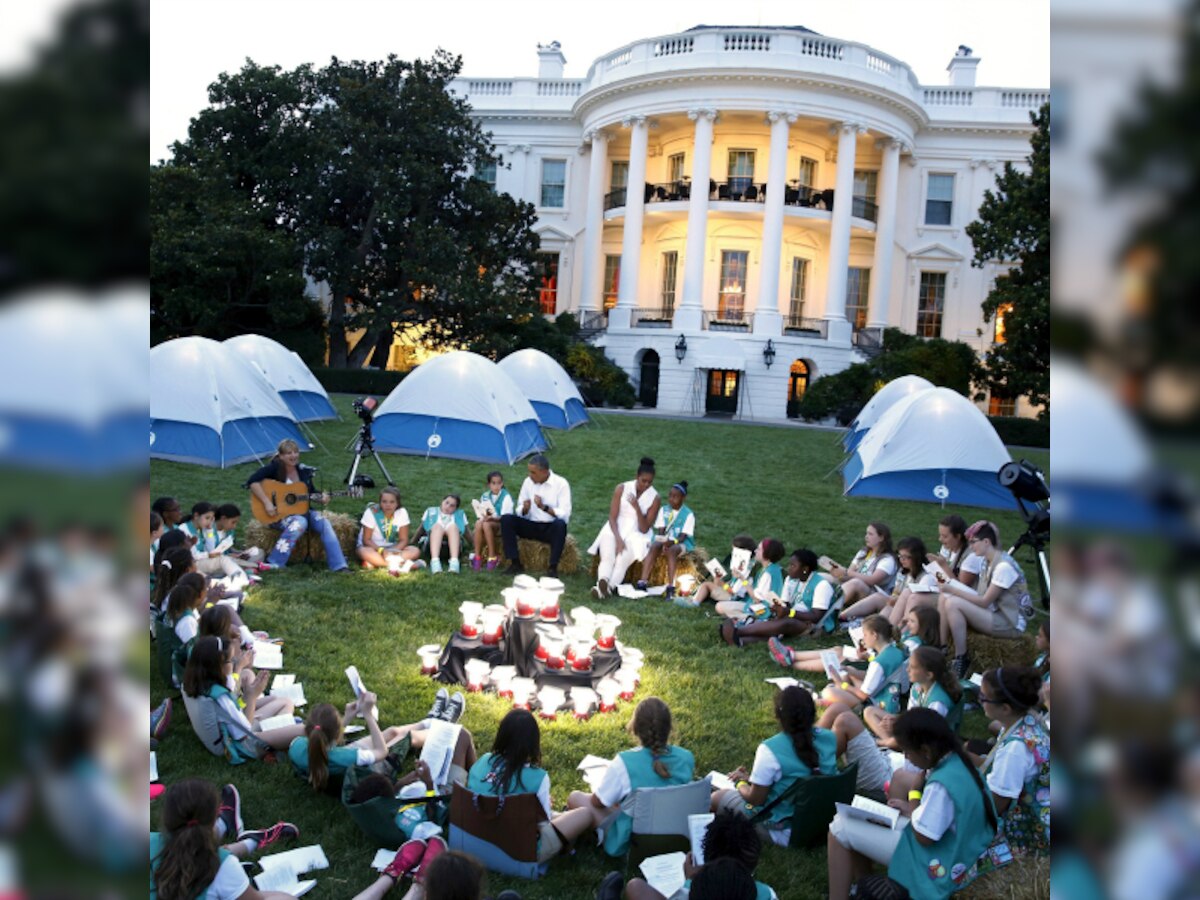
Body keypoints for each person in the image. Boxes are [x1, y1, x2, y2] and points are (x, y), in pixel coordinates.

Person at [825, 708, 998, 900]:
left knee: (839, 828)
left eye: (906, 751)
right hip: (961, 844)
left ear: (925, 750)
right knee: (853, 818)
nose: (905, 757)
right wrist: (911, 809)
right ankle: (868, 886)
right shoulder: (958, 761)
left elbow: (924, 837)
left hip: (944, 860)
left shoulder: (941, 785)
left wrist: (914, 795)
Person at [709, 686, 838, 846]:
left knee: (717, 797)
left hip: (786, 830)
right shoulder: (829, 738)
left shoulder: (770, 749)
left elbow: (755, 800)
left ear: (778, 715)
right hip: (822, 824)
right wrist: (752, 779)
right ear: (813, 713)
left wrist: (740, 783)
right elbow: (800, 774)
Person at [567, 697, 695, 857]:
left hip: (631, 840)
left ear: (634, 728)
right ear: (669, 728)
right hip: (675, 836)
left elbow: (596, 802)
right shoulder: (686, 758)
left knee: (576, 797)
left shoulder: (624, 762)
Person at [465, 710, 596, 862]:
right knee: (584, 814)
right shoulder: (538, 777)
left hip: (476, 840)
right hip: (519, 853)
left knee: (556, 814)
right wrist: (544, 807)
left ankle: (563, 817)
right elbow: (543, 825)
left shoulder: (483, 761)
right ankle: (569, 844)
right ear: (533, 741)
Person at [151, 777, 300, 900]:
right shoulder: (223, 866)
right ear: (213, 817)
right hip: (219, 871)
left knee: (195, 846)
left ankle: (233, 829)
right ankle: (249, 839)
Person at [290, 690, 467, 792]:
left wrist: (347, 718)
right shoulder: (347, 758)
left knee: (391, 732)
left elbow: (328, 741)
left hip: (340, 763)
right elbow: (381, 753)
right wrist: (367, 714)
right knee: (406, 738)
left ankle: (429, 721)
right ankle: (442, 727)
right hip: (363, 773)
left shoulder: (297, 746)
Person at [181, 635, 304, 761]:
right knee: (303, 729)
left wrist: (242, 676)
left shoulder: (193, 682)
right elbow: (245, 732)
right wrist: (252, 696)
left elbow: (232, 700)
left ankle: (281, 734)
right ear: (219, 667)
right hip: (237, 745)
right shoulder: (221, 698)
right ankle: (277, 747)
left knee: (285, 702)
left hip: (228, 733)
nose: (233, 662)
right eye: (230, 660)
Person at [971, 667, 1050, 858]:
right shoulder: (1028, 721)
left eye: (984, 698)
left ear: (1005, 708)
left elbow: (996, 805)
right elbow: (994, 765)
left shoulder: (1016, 749)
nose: (979, 700)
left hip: (1027, 833)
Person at [613, 810, 779, 900]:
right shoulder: (767, 894)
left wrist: (689, 881)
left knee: (635, 886)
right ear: (753, 860)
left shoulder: (696, 889)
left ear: (706, 856)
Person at [936, 522, 1032, 678]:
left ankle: (961, 658)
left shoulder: (1003, 566)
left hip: (1011, 622)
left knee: (953, 602)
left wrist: (953, 589)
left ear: (986, 542)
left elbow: (984, 601)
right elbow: (981, 597)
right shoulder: (987, 561)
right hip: (997, 612)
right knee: (945, 597)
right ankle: (943, 648)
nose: (971, 547)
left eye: (973, 542)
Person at [244, 438, 349, 572]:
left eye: (295, 452)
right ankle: (275, 562)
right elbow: (252, 482)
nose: (293, 456)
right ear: (281, 456)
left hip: (303, 511)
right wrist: (267, 503)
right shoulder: (274, 468)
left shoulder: (303, 471)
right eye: (289, 453)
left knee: (323, 522)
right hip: (278, 514)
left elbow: (310, 493)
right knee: (300, 522)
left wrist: (320, 497)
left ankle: (339, 565)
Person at [721, 549, 834, 647]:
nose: (788, 568)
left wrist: (789, 613)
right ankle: (739, 641)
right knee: (776, 626)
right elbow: (785, 604)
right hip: (794, 616)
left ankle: (737, 632)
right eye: (789, 564)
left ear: (805, 568)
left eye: (793, 566)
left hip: (813, 626)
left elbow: (816, 617)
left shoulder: (821, 585)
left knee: (786, 623)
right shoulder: (791, 580)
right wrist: (777, 609)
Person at [588, 457, 661, 599]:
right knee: (607, 557)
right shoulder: (621, 488)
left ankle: (606, 588)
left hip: (637, 533)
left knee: (621, 562)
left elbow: (645, 528)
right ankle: (603, 583)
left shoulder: (655, 498)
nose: (646, 485)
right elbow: (612, 517)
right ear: (636, 477)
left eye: (650, 482)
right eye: (643, 481)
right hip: (614, 528)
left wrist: (637, 508)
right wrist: (618, 539)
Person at [865, 647, 961, 748]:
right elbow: (911, 716)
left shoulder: (938, 702)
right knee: (870, 711)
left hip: (931, 741)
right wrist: (895, 721)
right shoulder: (917, 686)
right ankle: (890, 743)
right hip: (918, 729)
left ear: (928, 675)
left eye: (913, 667)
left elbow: (925, 733)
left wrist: (899, 726)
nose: (907, 670)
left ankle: (884, 743)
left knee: (907, 737)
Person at [818, 615, 908, 717]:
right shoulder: (895, 651)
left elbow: (864, 695)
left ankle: (843, 699)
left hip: (880, 704)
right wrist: (850, 671)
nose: (863, 639)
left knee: (828, 692)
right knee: (850, 671)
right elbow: (877, 677)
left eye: (865, 635)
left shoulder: (878, 663)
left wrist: (841, 684)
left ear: (874, 635)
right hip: (891, 695)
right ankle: (840, 693)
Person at [500, 454, 572, 577]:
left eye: (533, 472)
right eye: (529, 472)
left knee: (560, 525)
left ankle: (552, 567)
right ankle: (515, 563)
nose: (530, 475)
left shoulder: (561, 484)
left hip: (549, 528)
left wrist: (544, 508)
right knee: (506, 519)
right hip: (531, 525)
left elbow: (565, 515)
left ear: (544, 472)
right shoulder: (528, 482)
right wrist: (525, 509)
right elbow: (519, 509)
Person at [841, 537, 934, 622]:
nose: (902, 559)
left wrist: (896, 600)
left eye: (906, 557)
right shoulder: (903, 571)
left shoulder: (926, 577)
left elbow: (918, 604)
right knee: (878, 597)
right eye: (900, 556)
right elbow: (896, 592)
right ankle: (842, 616)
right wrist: (893, 598)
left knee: (889, 606)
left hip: (909, 612)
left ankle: (876, 628)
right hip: (895, 604)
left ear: (916, 557)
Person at [635, 479, 695, 597]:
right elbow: (661, 530)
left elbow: (683, 537)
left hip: (680, 542)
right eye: (670, 496)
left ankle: (671, 587)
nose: (671, 499)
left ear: (683, 498)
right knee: (654, 545)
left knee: (672, 551)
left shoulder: (689, 514)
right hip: (666, 540)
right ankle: (642, 581)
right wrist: (663, 542)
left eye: (675, 497)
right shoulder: (664, 509)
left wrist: (671, 543)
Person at [828, 523, 897, 614]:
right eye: (866, 533)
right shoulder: (863, 552)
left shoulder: (887, 559)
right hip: (853, 587)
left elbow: (872, 580)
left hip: (873, 595)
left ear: (881, 538)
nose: (866, 537)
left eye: (870, 534)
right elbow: (849, 574)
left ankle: (828, 609)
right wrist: (840, 574)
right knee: (825, 577)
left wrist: (847, 572)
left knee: (856, 583)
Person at [181, 501, 251, 591]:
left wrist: (209, 531)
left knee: (226, 561)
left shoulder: (202, 529)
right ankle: (242, 580)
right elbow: (193, 555)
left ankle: (237, 577)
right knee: (223, 560)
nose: (209, 522)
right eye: (207, 518)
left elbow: (211, 549)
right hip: (193, 563)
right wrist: (208, 555)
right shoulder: (185, 529)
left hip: (204, 561)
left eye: (211, 519)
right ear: (196, 516)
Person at [715, 538, 785, 621]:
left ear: (766, 554)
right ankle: (741, 618)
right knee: (721, 607)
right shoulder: (772, 569)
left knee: (719, 607)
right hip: (762, 606)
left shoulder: (768, 574)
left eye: (759, 549)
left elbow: (757, 598)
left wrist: (742, 579)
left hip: (764, 610)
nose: (755, 551)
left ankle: (748, 619)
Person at [686, 534, 757, 608]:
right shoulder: (743, 565)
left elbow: (733, 592)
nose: (733, 553)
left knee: (706, 585)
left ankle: (694, 603)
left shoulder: (745, 570)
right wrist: (719, 580)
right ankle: (695, 597)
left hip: (734, 598)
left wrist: (723, 585)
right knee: (713, 580)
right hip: (730, 591)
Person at [357, 488, 421, 570]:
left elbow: (404, 540)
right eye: (384, 501)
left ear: (397, 503)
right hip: (372, 547)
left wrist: (393, 551)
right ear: (380, 503)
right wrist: (382, 551)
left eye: (392, 502)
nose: (388, 505)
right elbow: (366, 540)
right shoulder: (371, 512)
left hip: (391, 547)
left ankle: (375, 563)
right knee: (364, 552)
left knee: (414, 550)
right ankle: (404, 565)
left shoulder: (402, 512)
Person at [416, 494, 470, 574]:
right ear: (442, 501)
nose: (448, 506)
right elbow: (421, 528)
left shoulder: (460, 515)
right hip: (431, 546)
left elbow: (467, 532)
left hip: (452, 547)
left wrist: (474, 545)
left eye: (452, 506)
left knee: (453, 527)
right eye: (446, 503)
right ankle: (435, 562)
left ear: (456, 508)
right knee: (437, 526)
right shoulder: (431, 511)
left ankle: (454, 562)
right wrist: (413, 541)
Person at [472, 471, 514, 571]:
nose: (496, 486)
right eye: (493, 483)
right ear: (489, 484)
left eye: (499, 483)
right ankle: (477, 556)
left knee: (486, 525)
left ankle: (492, 556)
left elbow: (506, 517)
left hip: (501, 523)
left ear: (502, 483)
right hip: (488, 520)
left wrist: (492, 518)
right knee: (479, 523)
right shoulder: (485, 496)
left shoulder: (506, 496)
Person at [214, 503, 263, 573]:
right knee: (226, 562)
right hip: (218, 561)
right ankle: (253, 566)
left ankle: (247, 568)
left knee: (260, 552)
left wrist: (242, 553)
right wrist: (228, 555)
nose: (234, 526)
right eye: (233, 522)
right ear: (223, 518)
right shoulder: (210, 532)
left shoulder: (229, 531)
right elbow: (210, 554)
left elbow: (229, 549)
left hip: (231, 560)